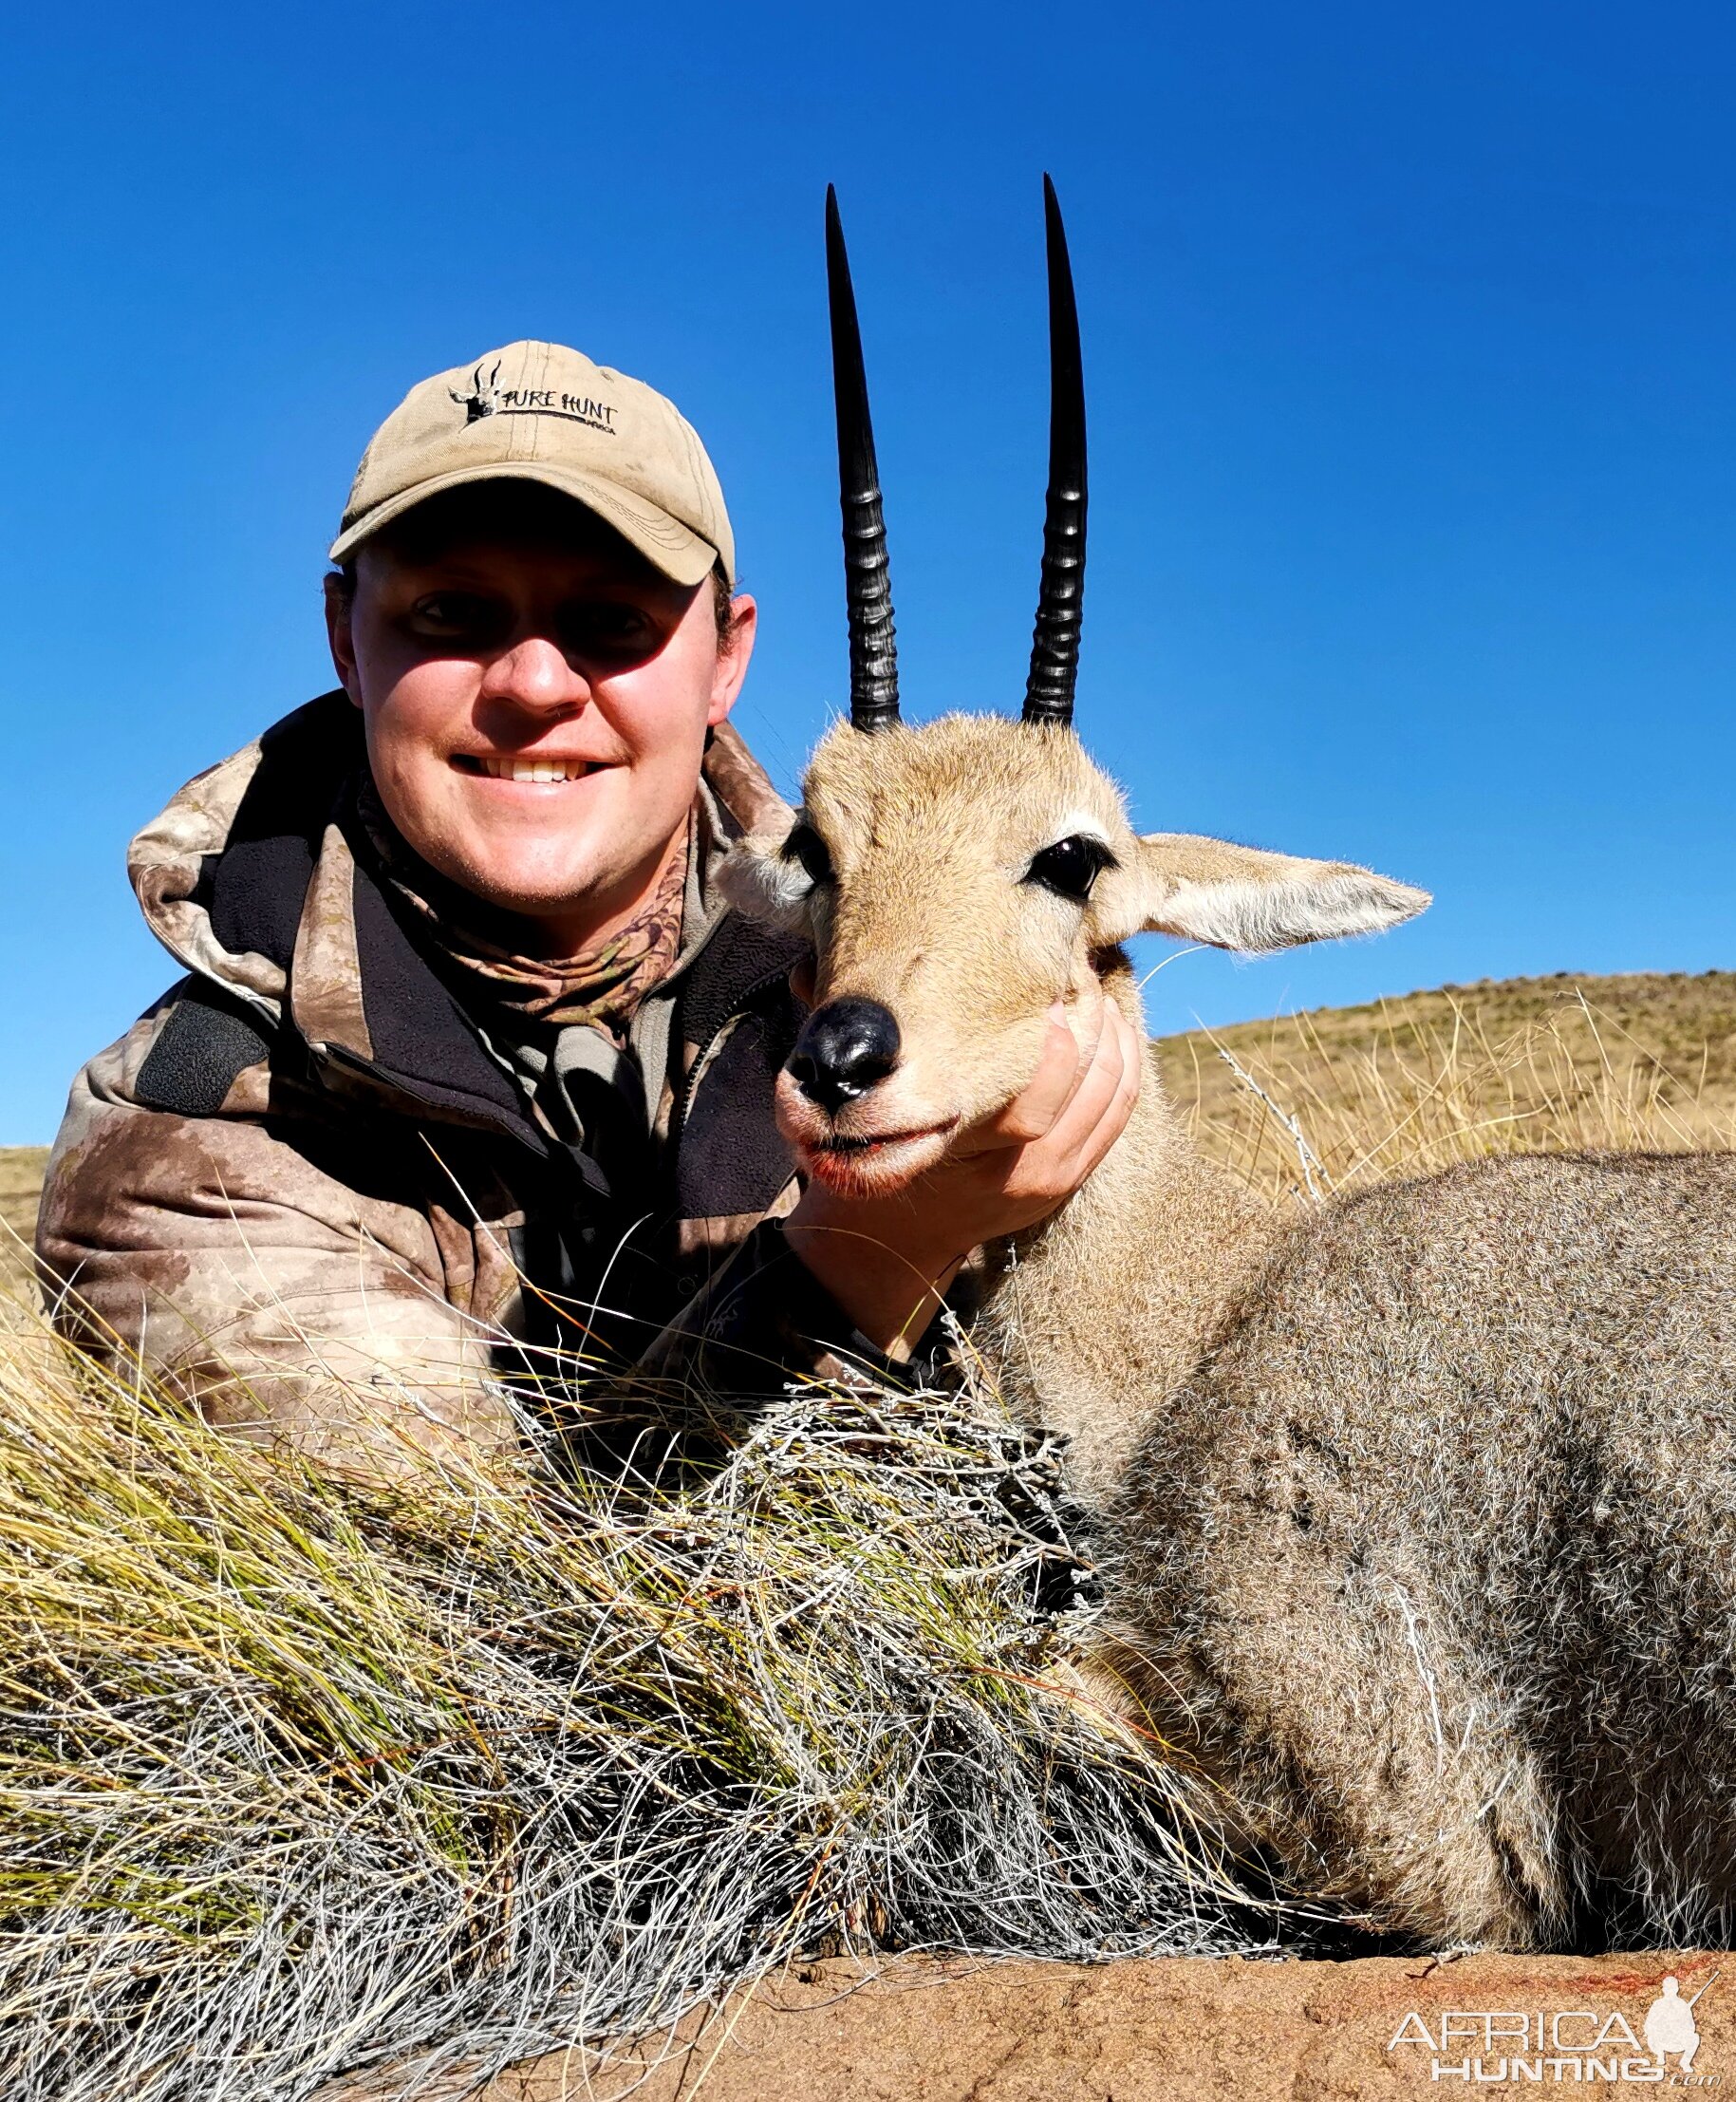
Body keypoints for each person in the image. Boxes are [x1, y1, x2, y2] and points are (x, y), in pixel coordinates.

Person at [36, 339, 1140, 1480]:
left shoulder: (887, 966)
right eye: (452, 611)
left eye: (613, 622)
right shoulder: (184, 1152)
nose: (535, 684)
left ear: (727, 659)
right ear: (343, 643)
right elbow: (510, 1614)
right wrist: (877, 1249)